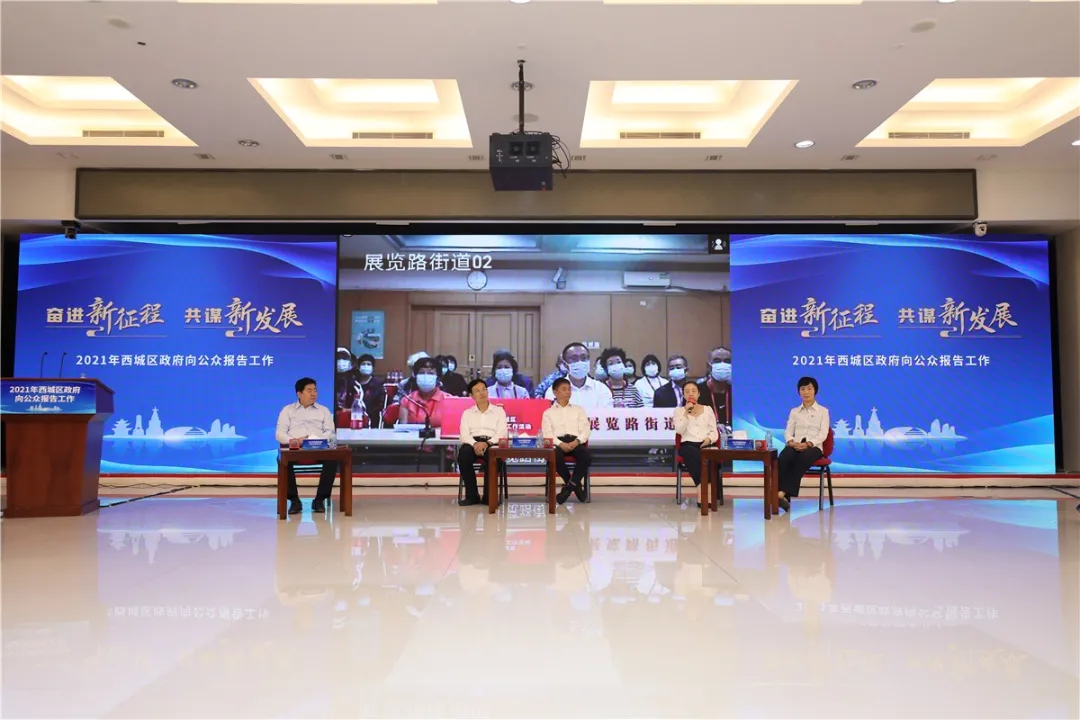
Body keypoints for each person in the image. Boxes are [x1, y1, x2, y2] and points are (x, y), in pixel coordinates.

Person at [276, 377, 338, 515]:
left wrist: (317, 440)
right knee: (282, 460)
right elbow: (279, 434)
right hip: (296, 449)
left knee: (332, 459)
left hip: (319, 448)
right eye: (309, 390)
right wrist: (296, 441)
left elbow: (330, 432)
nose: (313, 393)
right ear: (299, 393)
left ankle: (319, 500)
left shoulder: (323, 410)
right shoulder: (287, 410)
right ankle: (294, 501)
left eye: (315, 390)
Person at [778, 376, 830, 512]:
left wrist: (808, 444)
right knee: (784, 457)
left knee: (802, 458)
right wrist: (790, 441)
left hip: (814, 447)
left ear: (815, 391)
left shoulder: (823, 411)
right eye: (802, 389)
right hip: (795, 444)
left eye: (809, 388)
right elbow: (788, 430)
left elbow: (823, 433)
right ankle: (783, 497)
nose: (806, 392)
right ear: (799, 392)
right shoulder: (794, 411)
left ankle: (781, 493)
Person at [457, 379, 509, 506]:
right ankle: (472, 496)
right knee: (463, 454)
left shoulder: (499, 411)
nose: (482, 393)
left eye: (484, 389)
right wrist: (475, 444)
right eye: (477, 391)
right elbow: (464, 435)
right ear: (471, 395)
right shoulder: (467, 413)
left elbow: (502, 433)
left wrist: (487, 443)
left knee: (493, 456)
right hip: (472, 443)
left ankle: (489, 497)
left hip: (491, 443)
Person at [542, 378, 593, 505]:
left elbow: (585, 430)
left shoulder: (578, 410)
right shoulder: (548, 413)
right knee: (554, 456)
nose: (568, 392)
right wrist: (561, 444)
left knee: (586, 456)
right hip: (558, 443)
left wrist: (576, 442)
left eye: (569, 389)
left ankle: (568, 488)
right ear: (555, 392)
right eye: (564, 389)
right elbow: (547, 433)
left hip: (576, 442)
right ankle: (575, 486)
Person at [672, 380, 719, 492]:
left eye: (693, 391)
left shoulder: (708, 409)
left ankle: (704, 492)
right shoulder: (679, 411)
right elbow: (679, 430)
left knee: (708, 456)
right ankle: (705, 489)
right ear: (683, 395)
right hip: (688, 445)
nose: (691, 394)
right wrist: (687, 412)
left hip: (706, 444)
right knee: (692, 454)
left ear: (698, 394)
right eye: (687, 391)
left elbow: (714, 432)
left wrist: (709, 439)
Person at [544, 341, 614, 411]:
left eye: (584, 358)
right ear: (565, 365)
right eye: (574, 359)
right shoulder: (553, 391)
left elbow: (606, 415)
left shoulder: (601, 389)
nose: (580, 362)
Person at [398, 356, 449, 428]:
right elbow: (403, 429)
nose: (425, 376)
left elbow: (452, 428)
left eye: (430, 373)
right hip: (413, 435)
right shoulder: (407, 400)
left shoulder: (449, 400)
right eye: (421, 373)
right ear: (415, 376)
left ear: (438, 377)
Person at [698, 346, 733, 426]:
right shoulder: (696, 393)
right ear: (708, 366)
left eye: (727, 361)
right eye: (717, 361)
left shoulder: (738, 393)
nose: (722, 365)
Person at [354, 353, 386, 427]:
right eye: (363, 364)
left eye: (368, 364)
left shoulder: (378, 384)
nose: (366, 366)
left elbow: (380, 404)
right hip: (355, 415)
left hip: (372, 418)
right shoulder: (354, 383)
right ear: (359, 367)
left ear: (372, 367)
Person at [334, 347, 359, 415]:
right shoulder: (324, 383)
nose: (341, 361)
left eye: (345, 358)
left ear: (351, 363)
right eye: (338, 358)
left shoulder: (355, 386)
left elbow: (359, 408)